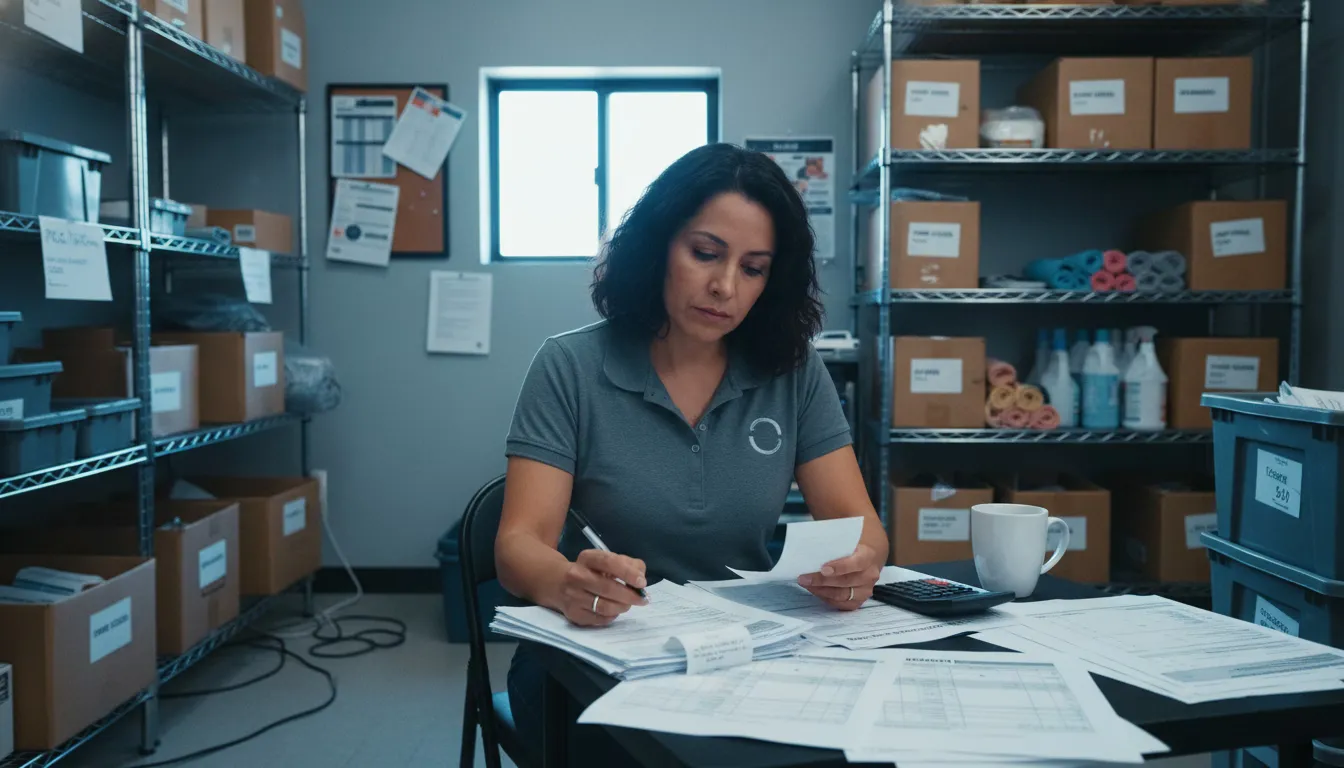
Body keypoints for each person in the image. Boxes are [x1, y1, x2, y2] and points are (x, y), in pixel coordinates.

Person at [495, 142, 886, 759]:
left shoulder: (794, 372)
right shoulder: (568, 366)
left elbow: (862, 528)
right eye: (705, 253)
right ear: (658, 247)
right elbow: (517, 548)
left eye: (753, 268)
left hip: (748, 655)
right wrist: (567, 580)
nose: (724, 286)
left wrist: (859, 565)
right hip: (595, 661)